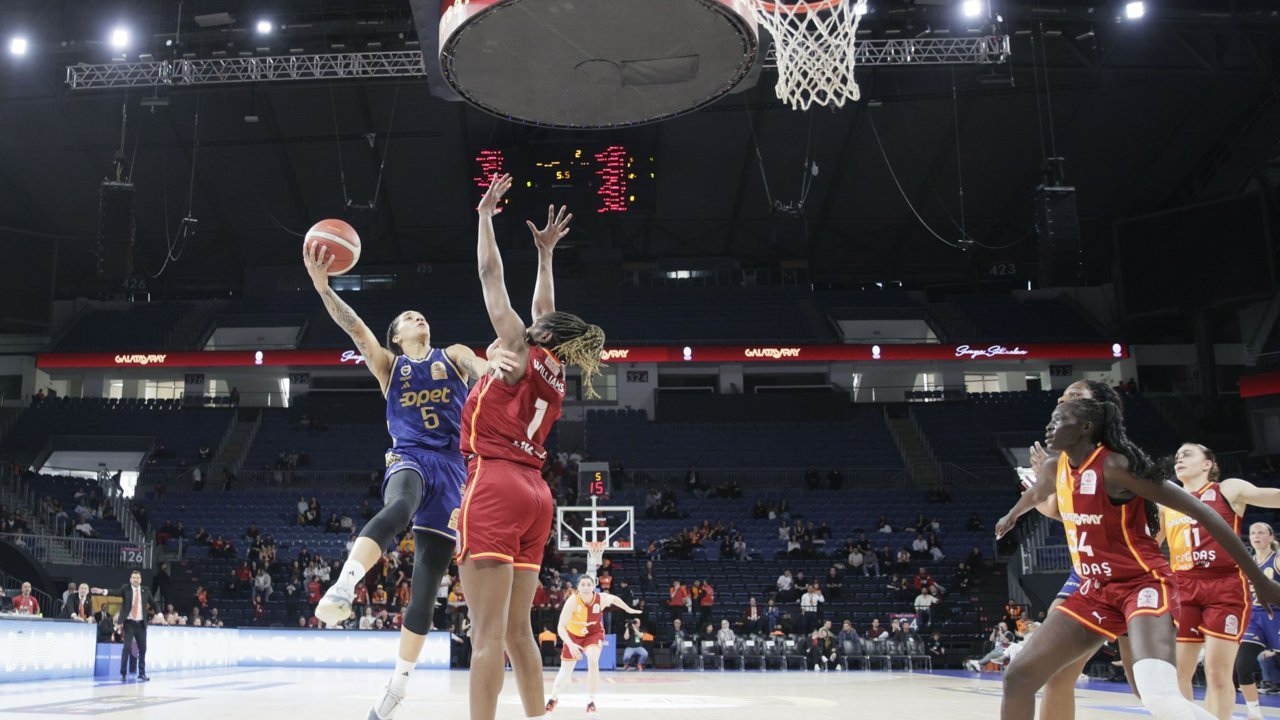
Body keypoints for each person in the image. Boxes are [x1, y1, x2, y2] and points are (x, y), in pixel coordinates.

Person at [305, 236, 515, 720]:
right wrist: (323, 289)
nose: (417, 318)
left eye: (420, 315)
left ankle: (397, 686)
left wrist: (494, 367)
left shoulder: (452, 354)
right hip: (410, 456)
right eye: (407, 318)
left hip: (455, 470)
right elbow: (357, 330)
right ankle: (344, 586)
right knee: (399, 506)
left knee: (426, 583)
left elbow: (480, 367)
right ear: (396, 336)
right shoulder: (390, 365)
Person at [996, 398, 1280, 720]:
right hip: (1096, 588)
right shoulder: (1054, 468)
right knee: (1017, 676)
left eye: (1060, 419)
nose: (1050, 425)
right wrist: (1012, 515)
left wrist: (1259, 579)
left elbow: (1206, 514)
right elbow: (1037, 493)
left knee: (1158, 696)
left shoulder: (1117, 467)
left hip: (1143, 585)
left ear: (1086, 428)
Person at [458, 176, 606, 720]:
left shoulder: (517, 346)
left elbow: (489, 275)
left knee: (486, 635)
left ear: (538, 332)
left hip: (495, 480)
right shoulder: (555, 368)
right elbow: (546, 305)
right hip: (536, 494)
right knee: (518, 631)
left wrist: (484, 217)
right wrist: (545, 255)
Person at [1020, 379, 1134, 720]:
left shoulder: (1121, 460)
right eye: (1061, 397)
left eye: (1073, 396)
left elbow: (1154, 529)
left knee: (1146, 686)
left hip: (1132, 579)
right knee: (1056, 675)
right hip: (1086, 577)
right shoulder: (1068, 463)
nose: (1061, 401)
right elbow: (1060, 511)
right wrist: (1042, 486)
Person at [1164, 443, 1280, 720]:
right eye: (1177, 456)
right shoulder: (1167, 501)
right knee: (1178, 672)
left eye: (1188, 454)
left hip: (1224, 586)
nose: (1179, 458)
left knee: (1217, 673)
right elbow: (1147, 544)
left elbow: (1274, 496)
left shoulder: (1228, 489)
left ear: (1208, 464)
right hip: (1183, 587)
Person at [545, 575, 641, 714]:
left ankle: (591, 701)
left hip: (593, 634)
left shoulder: (600, 599)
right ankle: (553, 698)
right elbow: (560, 627)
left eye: (588, 584)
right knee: (565, 671)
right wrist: (571, 644)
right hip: (573, 636)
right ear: (578, 587)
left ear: (593, 586)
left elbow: (614, 599)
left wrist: (628, 609)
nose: (586, 587)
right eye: (583, 585)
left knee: (593, 660)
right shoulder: (572, 601)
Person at [1237, 522, 1280, 720]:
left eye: (1261, 532)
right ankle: (1254, 712)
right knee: (1242, 666)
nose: (1256, 535)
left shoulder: (1277, 559)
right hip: (1254, 618)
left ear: (1271, 537)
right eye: (1253, 532)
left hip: (1277, 615)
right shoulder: (1247, 562)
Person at [93, 570, 155, 681]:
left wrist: (160, 614)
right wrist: (103, 591)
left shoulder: (146, 590)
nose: (135, 579)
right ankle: (123, 673)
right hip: (129, 623)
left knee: (143, 648)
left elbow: (153, 603)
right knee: (126, 647)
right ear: (130, 579)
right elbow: (114, 592)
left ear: (140, 580)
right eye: (134, 577)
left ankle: (142, 673)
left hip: (141, 624)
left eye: (137, 578)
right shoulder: (125, 588)